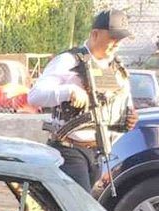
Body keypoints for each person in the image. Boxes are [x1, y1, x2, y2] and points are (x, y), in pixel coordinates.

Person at [27, 10, 139, 189]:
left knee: (83, 203)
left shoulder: (117, 69)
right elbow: (35, 96)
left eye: (121, 39)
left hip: (98, 153)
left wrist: (129, 119)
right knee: (80, 204)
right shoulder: (68, 61)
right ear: (95, 34)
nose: (117, 43)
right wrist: (68, 91)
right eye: (113, 38)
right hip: (68, 150)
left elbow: (125, 106)